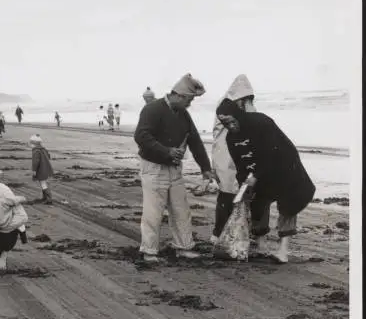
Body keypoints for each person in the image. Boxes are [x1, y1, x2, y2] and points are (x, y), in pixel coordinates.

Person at [216, 98, 316, 263]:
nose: (230, 126)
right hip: (258, 173)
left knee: (288, 206)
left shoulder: (261, 123)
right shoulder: (231, 139)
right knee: (257, 202)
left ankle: (283, 250)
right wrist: (243, 185)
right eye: (225, 124)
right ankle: (262, 245)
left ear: (238, 115)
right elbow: (240, 165)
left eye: (231, 121)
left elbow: (272, 152)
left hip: (284, 168)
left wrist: (255, 175)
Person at [133, 74, 218, 262]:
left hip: (174, 168)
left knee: (181, 209)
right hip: (153, 167)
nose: (190, 104)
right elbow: (141, 136)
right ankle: (149, 251)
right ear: (179, 95)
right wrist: (166, 151)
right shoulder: (152, 109)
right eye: (189, 99)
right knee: (153, 211)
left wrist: (205, 167)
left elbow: (194, 140)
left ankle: (184, 247)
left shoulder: (182, 113)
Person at [211, 74, 256, 242]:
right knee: (227, 194)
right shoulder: (228, 106)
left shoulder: (234, 104)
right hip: (226, 154)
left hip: (232, 154)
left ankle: (227, 233)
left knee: (233, 194)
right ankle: (218, 233)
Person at [31, 134, 54, 204]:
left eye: (31, 143)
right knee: (44, 183)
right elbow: (49, 156)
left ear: (34, 144)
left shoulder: (36, 151)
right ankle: (45, 197)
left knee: (43, 183)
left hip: (41, 170)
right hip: (46, 168)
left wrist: (34, 170)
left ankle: (48, 199)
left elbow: (35, 162)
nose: (30, 145)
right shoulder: (44, 149)